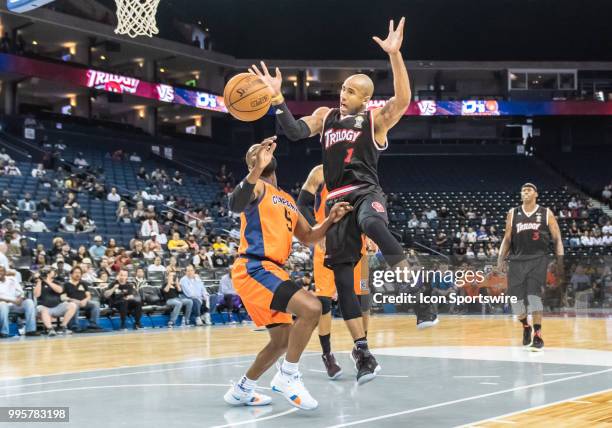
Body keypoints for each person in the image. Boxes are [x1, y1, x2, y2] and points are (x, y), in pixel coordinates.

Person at [251, 18, 436, 372]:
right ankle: (362, 352)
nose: (343, 92)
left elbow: (404, 99)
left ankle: (420, 296)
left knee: (372, 223)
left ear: (365, 99)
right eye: (343, 88)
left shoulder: (375, 121)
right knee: (341, 278)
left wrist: (395, 55)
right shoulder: (324, 116)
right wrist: (277, 98)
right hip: (336, 203)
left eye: (351, 90)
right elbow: (291, 131)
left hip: (366, 192)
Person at [223, 138, 351, 410]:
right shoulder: (256, 186)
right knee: (312, 307)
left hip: (270, 270)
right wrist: (256, 168)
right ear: (251, 164)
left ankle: (242, 389)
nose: (261, 151)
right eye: (254, 152)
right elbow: (235, 204)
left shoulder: (288, 200)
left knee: (281, 340)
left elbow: (309, 237)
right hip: (254, 267)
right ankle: (288, 376)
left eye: (263, 149)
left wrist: (330, 220)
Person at [297, 164, 377, 382]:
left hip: (354, 242)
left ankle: (362, 350)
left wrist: (370, 234)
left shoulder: (359, 171)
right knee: (324, 303)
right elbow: (302, 204)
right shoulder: (319, 172)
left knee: (363, 300)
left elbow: (367, 207)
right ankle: (327, 355)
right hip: (327, 243)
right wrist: (315, 230)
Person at [497, 183, 564, 351]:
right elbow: (507, 238)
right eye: (523, 190)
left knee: (534, 296)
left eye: (529, 190)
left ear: (536, 194)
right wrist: (500, 259)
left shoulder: (546, 212)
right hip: (517, 260)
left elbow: (557, 238)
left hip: (538, 259)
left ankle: (538, 334)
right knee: (516, 302)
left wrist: (560, 260)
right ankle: (526, 326)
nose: (525, 192)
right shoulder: (513, 213)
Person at [34, 268, 78, 336]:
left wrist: (48, 281)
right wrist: (39, 281)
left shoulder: (57, 282)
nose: (47, 273)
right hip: (44, 307)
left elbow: (59, 290)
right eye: (46, 272)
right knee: (43, 309)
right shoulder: (40, 283)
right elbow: (36, 295)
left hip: (57, 307)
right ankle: (50, 329)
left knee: (73, 305)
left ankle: (63, 327)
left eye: (49, 272)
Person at [0, 266, 39, 337]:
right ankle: (4, 332)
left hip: (16, 304)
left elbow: (21, 292)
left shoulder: (12, 279)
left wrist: (21, 298)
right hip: (4, 305)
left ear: (5, 272)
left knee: (29, 302)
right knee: (2, 305)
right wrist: (12, 300)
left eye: (1, 271)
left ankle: (30, 330)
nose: (0, 273)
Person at [64, 266, 103, 331]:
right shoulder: (66, 284)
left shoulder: (83, 283)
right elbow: (64, 297)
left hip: (84, 302)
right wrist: (72, 300)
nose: (78, 274)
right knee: (74, 304)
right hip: (73, 302)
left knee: (96, 303)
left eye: (79, 273)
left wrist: (85, 300)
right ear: (71, 274)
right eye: (76, 272)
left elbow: (88, 295)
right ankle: (74, 325)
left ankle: (93, 324)